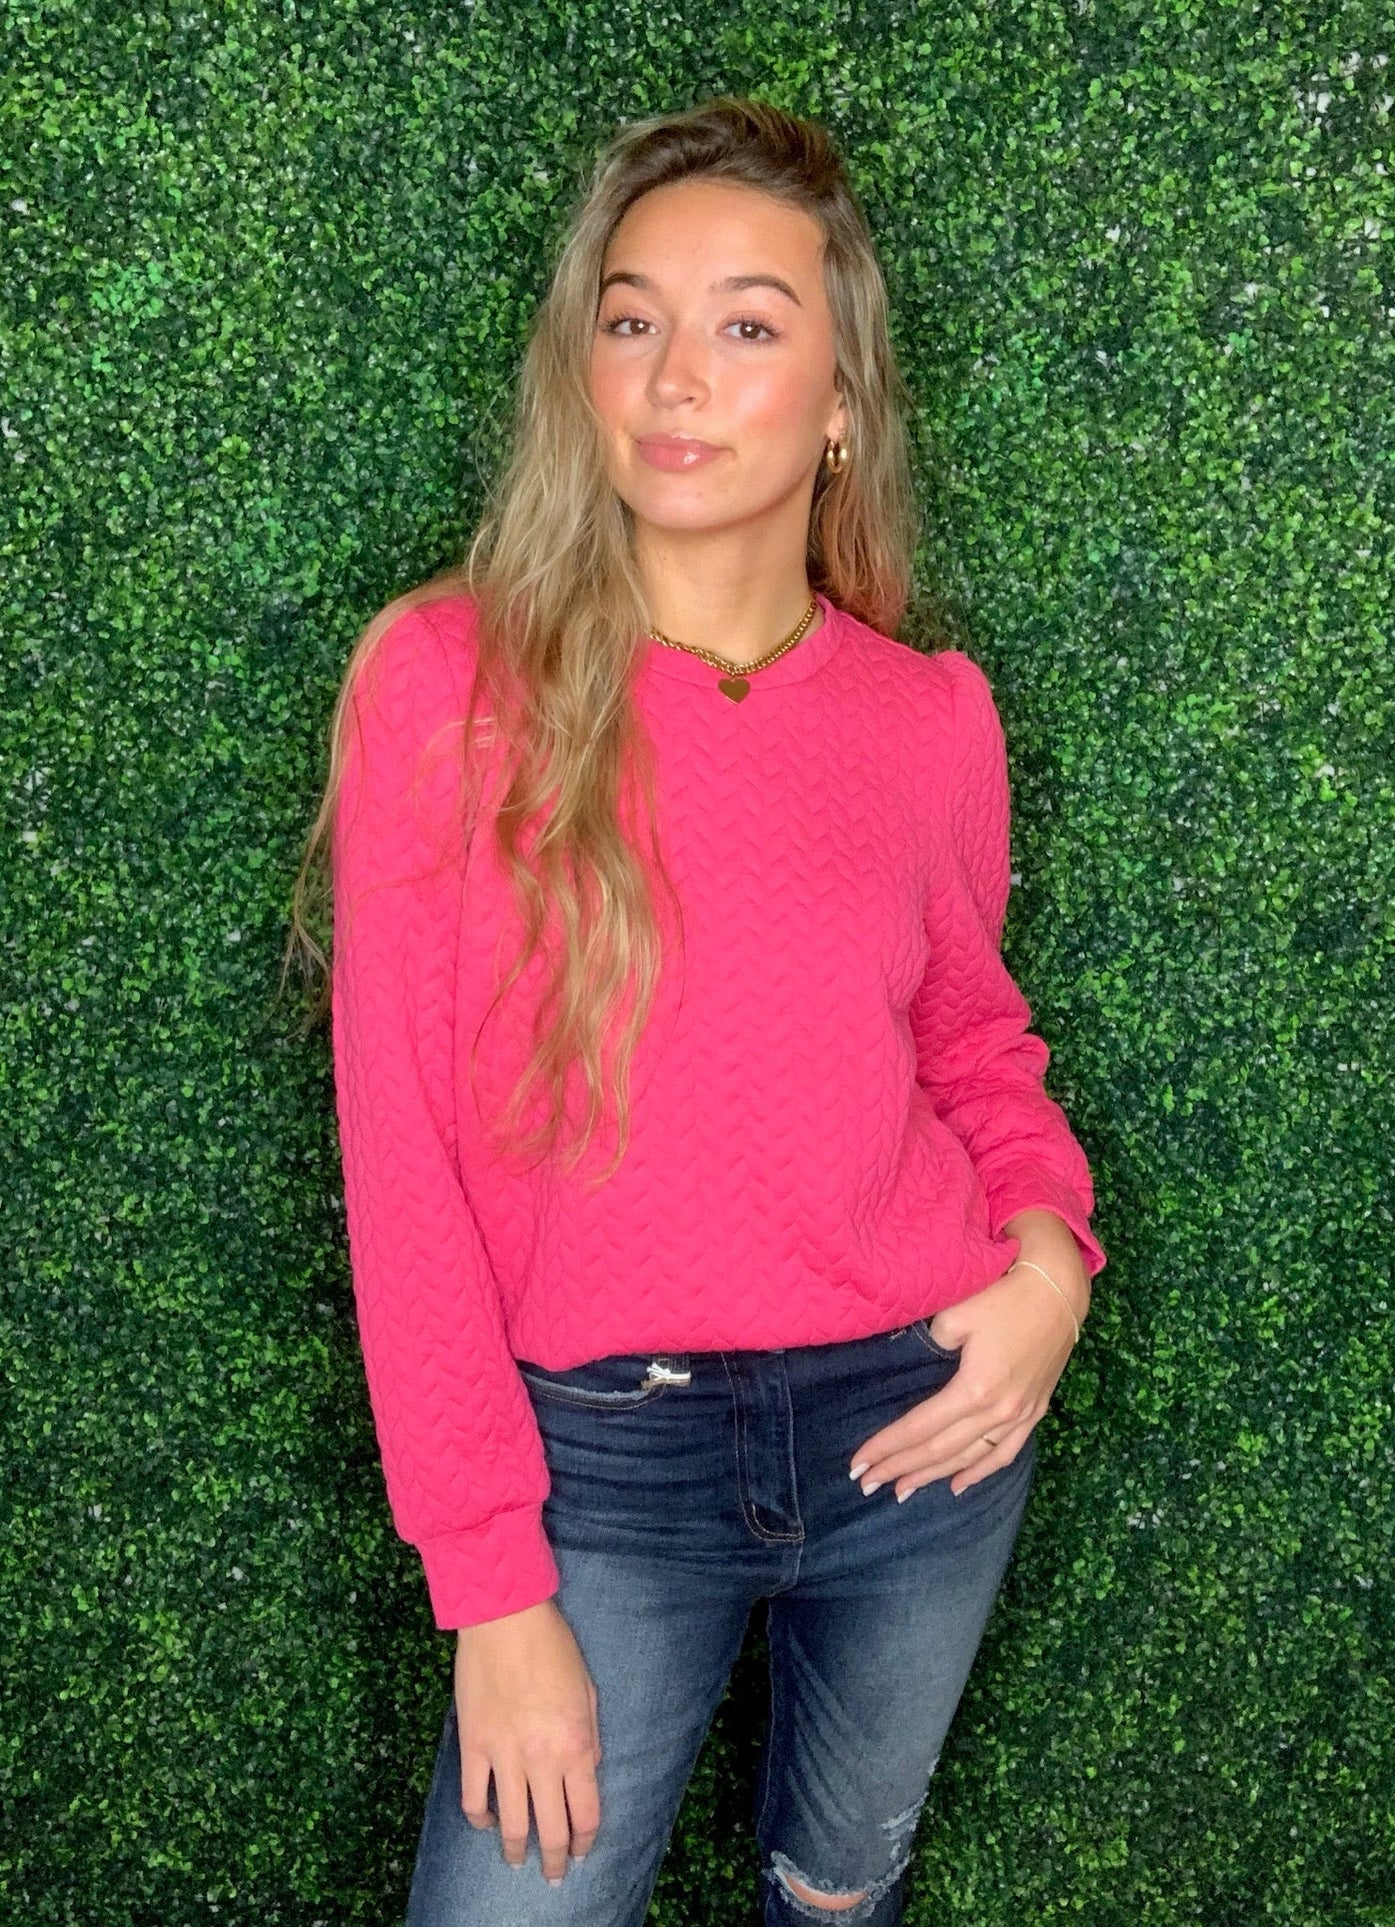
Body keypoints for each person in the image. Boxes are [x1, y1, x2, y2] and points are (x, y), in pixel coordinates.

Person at [288, 94, 1106, 1927]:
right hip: (601, 1468)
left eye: (746, 324)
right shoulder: (445, 683)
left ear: (840, 402)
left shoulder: (927, 717)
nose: (674, 375)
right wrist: (494, 1591)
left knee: (837, 1892)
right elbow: (402, 1160)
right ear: (581, 374)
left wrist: (1049, 1260)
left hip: (924, 1427)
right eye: (631, 318)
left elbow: (973, 1042)